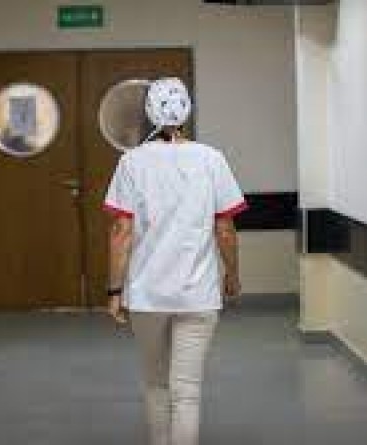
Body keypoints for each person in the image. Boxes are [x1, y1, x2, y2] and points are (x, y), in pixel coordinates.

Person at [103, 77, 247, 445]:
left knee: (156, 384)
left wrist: (114, 290)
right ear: (187, 112)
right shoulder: (211, 159)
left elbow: (121, 231)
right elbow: (225, 228)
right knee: (187, 391)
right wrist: (232, 274)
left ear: (149, 113)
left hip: (147, 296)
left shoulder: (131, 163)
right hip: (198, 295)